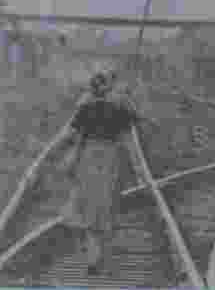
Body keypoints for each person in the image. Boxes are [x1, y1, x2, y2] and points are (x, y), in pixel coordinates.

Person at [58, 64, 140, 275]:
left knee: (88, 206)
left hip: (89, 158)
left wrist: (68, 153)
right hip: (111, 158)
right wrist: (136, 166)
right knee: (107, 205)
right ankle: (100, 255)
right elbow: (128, 138)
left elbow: (71, 136)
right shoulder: (120, 108)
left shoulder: (85, 107)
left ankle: (93, 257)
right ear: (110, 86)